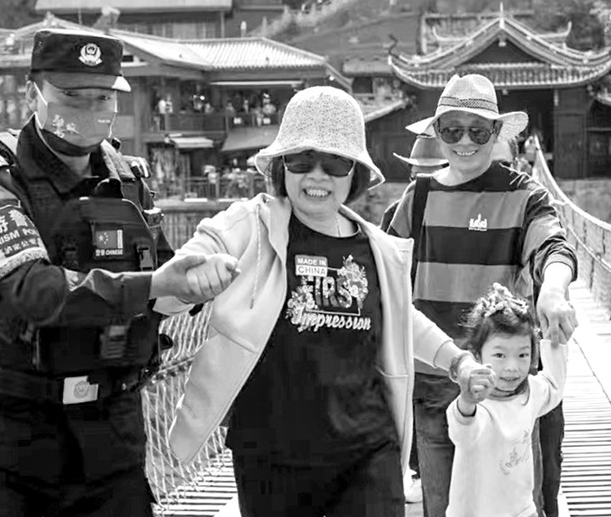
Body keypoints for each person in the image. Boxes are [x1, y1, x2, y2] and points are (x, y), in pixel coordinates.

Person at [0, 28, 239, 517]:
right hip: (9, 448)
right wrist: (156, 284)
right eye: (72, 97)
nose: (89, 109)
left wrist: (192, 283)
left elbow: (160, 284)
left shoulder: (128, 178)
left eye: (102, 97)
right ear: (33, 93)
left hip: (111, 445)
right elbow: (31, 292)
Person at [154, 86, 494, 517]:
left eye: (335, 163)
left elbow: (400, 317)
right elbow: (171, 287)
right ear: (282, 167)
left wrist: (457, 361)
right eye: (302, 161)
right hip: (271, 453)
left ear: (355, 174)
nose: (317, 176)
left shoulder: (378, 248)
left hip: (366, 449)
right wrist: (187, 283)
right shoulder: (248, 226)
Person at [386, 73, 578, 517]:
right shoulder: (418, 197)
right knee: (443, 506)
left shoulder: (523, 195)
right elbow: (385, 276)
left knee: (516, 504)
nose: (465, 142)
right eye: (453, 130)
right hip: (435, 379)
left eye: (478, 131)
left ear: (495, 134)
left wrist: (553, 289)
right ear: (437, 133)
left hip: (504, 384)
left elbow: (553, 247)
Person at [447, 283, 568, 517]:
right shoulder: (477, 404)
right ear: (476, 356)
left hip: (522, 511)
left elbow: (554, 387)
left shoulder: (530, 392)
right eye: (500, 355)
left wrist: (557, 340)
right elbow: (462, 434)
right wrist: (467, 401)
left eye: (523, 355)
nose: (512, 367)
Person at [378, 132, 447, 504]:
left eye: (429, 171)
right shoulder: (398, 210)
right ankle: (418, 474)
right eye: (416, 173)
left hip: (448, 329)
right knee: (412, 403)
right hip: (412, 320)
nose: (421, 179)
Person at [379, 133, 448, 232]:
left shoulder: (462, 207)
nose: (423, 184)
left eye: (432, 177)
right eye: (417, 177)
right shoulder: (394, 213)